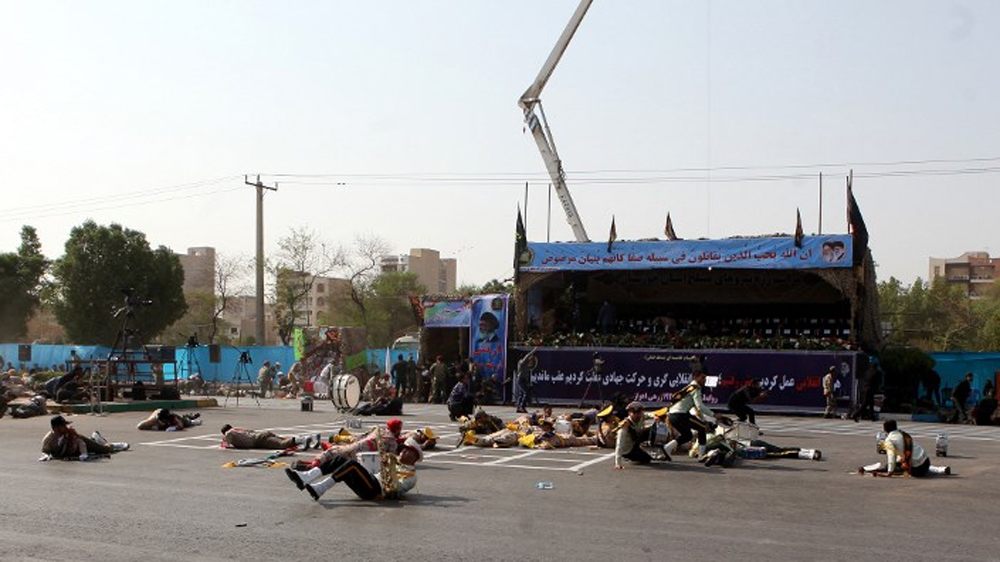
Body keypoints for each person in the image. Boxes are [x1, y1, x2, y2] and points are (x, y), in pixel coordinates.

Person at [287, 433, 427, 501]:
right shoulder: (395, 460)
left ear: (414, 457)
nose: (401, 452)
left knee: (351, 465)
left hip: (376, 491)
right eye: (403, 449)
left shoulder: (411, 477)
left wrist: (387, 469)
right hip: (370, 481)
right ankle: (308, 476)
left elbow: (394, 490)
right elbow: (374, 469)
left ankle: (320, 488)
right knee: (341, 459)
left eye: (406, 451)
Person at [858, 420, 950, 477]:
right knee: (909, 463)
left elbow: (891, 456)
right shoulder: (903, 434)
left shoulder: (889, 440)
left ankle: (938, 470)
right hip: (926, 460)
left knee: (898, 468)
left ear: (885, 429)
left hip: (918, 469)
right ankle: (941, 469)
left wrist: (890, 471)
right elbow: (903, 453)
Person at [661, 371, 717, 460]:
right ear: (696, 378)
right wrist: (714, 415)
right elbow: (700, 406)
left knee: (687, 435)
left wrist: (703, 421)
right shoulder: (696, 388)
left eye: (705, 378)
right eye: (703, 378)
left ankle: (667, 448)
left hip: (672, 416)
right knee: (702, 428)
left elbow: (697, 409)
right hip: (680, 415)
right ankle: (701, 455)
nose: (704, 380)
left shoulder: (688, 388)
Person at [41, 415, 129, 461]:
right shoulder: (49, 438)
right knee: (94, 446)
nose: (65, 427)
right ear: (55, 428)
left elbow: (80, 442)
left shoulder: (69, 433)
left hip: (81, 444)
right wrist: (46, 456)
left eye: (64, 425)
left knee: (104, 450)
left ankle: (115, 445)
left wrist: (84, 454)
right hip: (73, 452)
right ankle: (95, 438)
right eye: (62, 426)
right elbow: (45, 450)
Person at [614, 401, 654, 469]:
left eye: (639, 413)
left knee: (651, 429)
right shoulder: (625, 425)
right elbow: (619, 444)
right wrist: (618, 463)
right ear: (629, 413)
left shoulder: (641, 417)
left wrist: (655, 416)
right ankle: (631, 457)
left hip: (635, 441)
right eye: (634, 413)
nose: (637, 415)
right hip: (628, 449)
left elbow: (649, 415)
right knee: (646, 459)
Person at [220, 424, 319, 450]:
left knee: (281, 444)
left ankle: (303, 439)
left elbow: (227, 443)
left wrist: (224, 439)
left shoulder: (229, 433)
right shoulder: (237, 430)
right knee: (284, 440)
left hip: (259, 440)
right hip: (262, 434)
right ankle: (309, 438)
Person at [514, 347, 538, 413]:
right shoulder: (522, 363)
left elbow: (531, 362)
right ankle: (522, 407)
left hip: (523, 380)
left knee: (521, 394)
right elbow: (527, 357)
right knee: (525, 392)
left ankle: (518, 407)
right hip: (520, 380)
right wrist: (533, 351)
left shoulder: (526, 365)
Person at [136, 408, 201, 431]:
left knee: (187, 423)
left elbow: (180, 425)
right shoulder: (154, 419)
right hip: (158, 411)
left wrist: (174, 428)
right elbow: (139, 426)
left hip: (175, 418)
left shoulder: (173, 417)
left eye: (164, 421)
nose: (163, 422)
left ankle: (190, 417)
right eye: (161, 421)